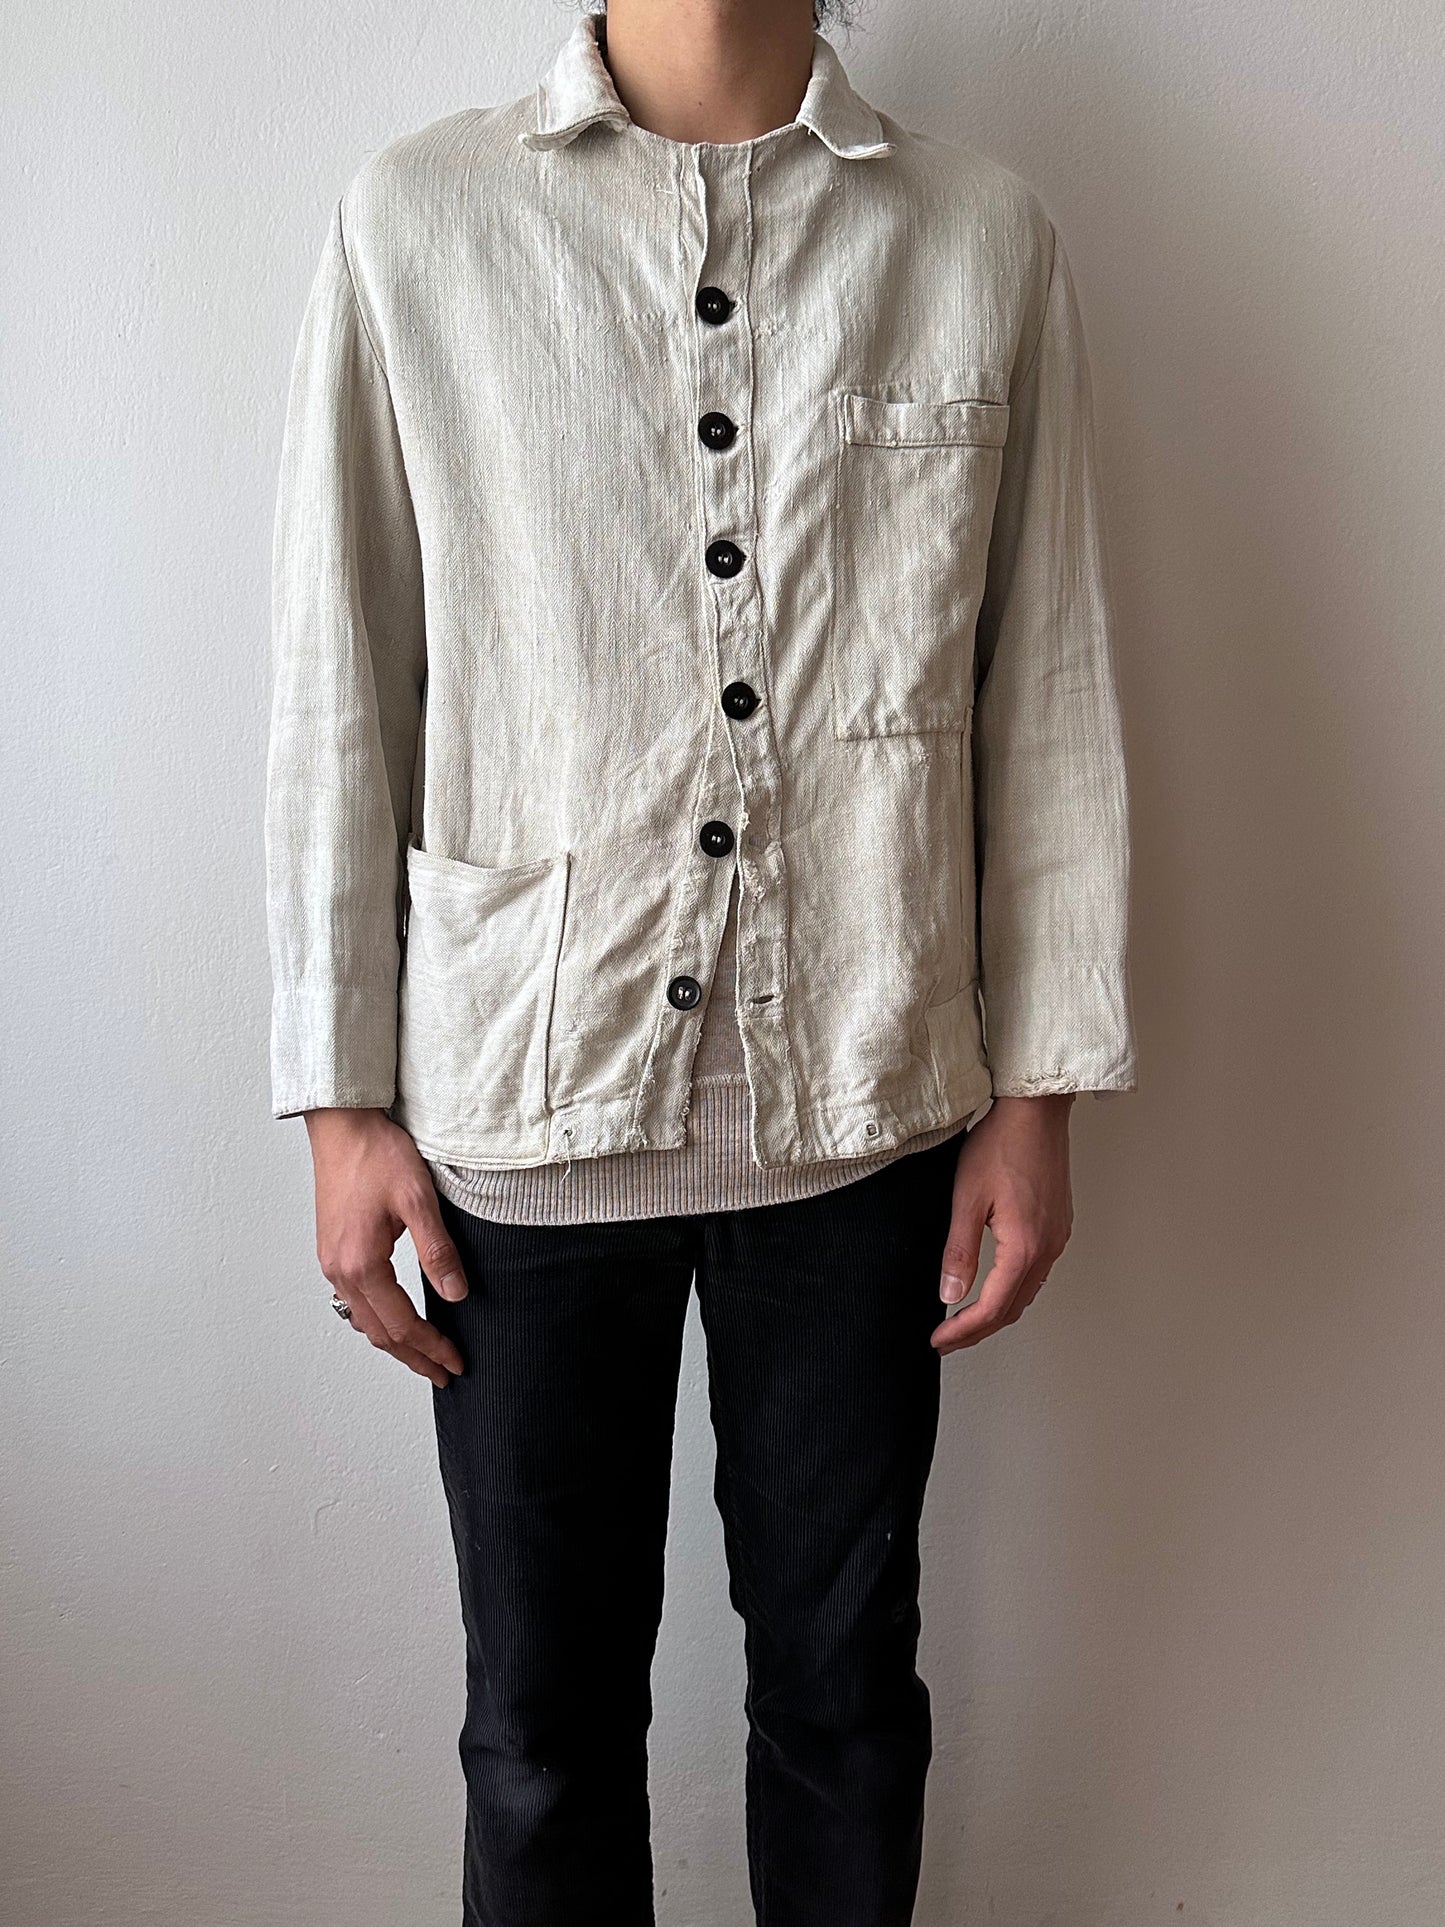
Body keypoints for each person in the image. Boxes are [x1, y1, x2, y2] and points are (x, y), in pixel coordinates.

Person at [263, 0, 1137, 1920]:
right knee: (539, 1724)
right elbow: (345, 682)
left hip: (869, 1094)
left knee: (844, 1698)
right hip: (520, 1098)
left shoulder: (975, 236)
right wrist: (338, 1101)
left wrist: (1041, 1090)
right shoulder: (419, 221)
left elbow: (1045, 682)